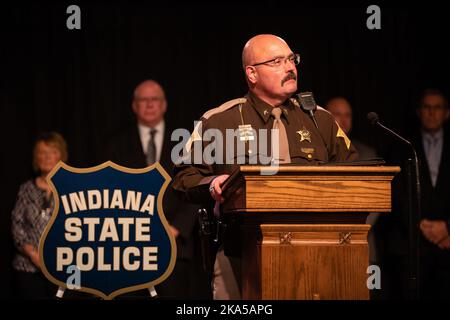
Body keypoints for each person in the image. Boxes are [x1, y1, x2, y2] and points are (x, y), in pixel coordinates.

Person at [172, 34, 358, 299]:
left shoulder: (322, 121)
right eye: (277, 61)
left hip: (317, 251)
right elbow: (183, 177)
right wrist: (212, 184)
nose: (290, 67)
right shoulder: (219, 121)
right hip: (240, 252)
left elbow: (356, 176)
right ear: (252, 74)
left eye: (292, 59)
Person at [104, 79, 211, 299]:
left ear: (164, 105)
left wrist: (175, 229)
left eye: (155, 99)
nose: (150, 104)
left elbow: (196, 183)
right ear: (134, 106)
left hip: (175, 246)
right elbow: (110, 191)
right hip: (129, 247)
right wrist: (132, 230)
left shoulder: (184, 141)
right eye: (144, 100)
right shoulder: (116, 144)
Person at [378, 89, 450, 299]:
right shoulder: (402, 146)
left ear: (446, 113)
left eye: (437, 108)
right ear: (419, 112)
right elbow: (397, 193)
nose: (432, 113)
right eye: (427, 107)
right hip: (411, 246)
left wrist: (446, 227)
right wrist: (420, 224)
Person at [11, 131, 67, 299]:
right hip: (29, 268)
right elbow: (17, 226)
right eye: (42, 152)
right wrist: (34, 256)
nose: (47, 157)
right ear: (36, 158)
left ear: (61, 155)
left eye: (52, 152)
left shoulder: (74, 187)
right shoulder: (26, 189)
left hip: (69, 268)